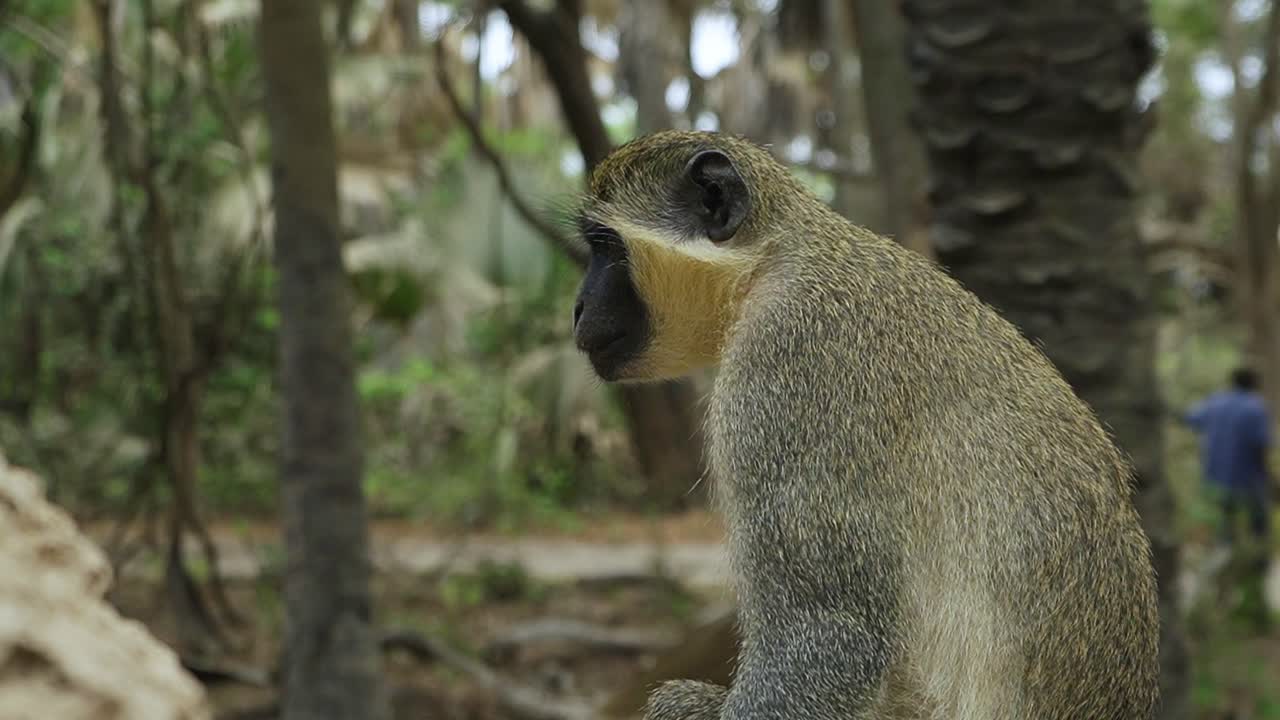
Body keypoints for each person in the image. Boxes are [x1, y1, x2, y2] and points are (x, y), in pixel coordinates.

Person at [1184, 367, 1273, 547]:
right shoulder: (1255, 407)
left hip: (1215, 474)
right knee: (1258, 520)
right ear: (1254, 384)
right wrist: (1267, 474)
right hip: (1248, 477)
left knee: (1224, 520)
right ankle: (1256, 555)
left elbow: (1191, 419)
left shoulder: (1215, 402)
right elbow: (1261, 444)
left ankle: (1226, 553)